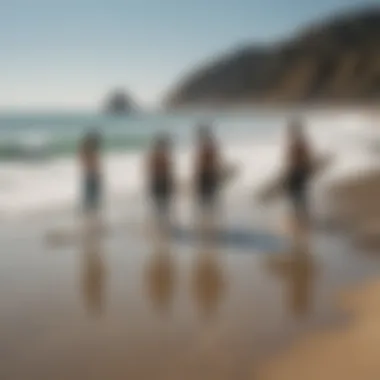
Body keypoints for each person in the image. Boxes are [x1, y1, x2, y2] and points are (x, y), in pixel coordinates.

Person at [285, 119, 312, 226]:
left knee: (298, 196)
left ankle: (301, 219)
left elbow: (303, 159)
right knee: (298, 196)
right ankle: (300, 218)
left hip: (298, 173)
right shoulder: (297, 143)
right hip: (297, 172)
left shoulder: (299, 144)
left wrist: (303, 169)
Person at [147, 133, 174, 221]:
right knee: (161, 203)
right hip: (160, 181)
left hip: (161, 181)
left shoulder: (160, 156)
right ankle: (161, 219)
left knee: (161, 203)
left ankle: (161, 220)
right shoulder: (161, 156)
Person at [194, 125, 221, 210]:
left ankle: (208, 215)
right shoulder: (209, 146)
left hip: (207, 174)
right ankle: (208, 215)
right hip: (208, 174)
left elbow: (209, 162)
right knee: (208, 198)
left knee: (206, 198)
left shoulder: (207, 147)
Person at [79, 130, 103, 214]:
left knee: (89, 192)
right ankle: (91, 210)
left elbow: (84, 162)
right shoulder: (90, 151)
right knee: (93, 192)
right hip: (92, 173)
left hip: (89, 173)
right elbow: (94, 163)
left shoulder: (86, 150)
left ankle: (89, 210)